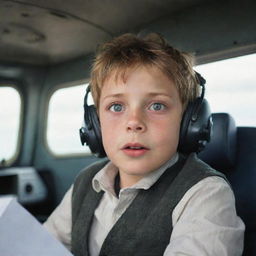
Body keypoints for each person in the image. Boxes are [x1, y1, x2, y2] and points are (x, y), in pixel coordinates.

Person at [44, 33, 244, 256]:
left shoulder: (206, 194)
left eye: (157, 106)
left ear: (189, 121)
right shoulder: (85, 183)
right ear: (95, 124)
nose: (134, 123)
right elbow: (42, 246)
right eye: (117, 107)